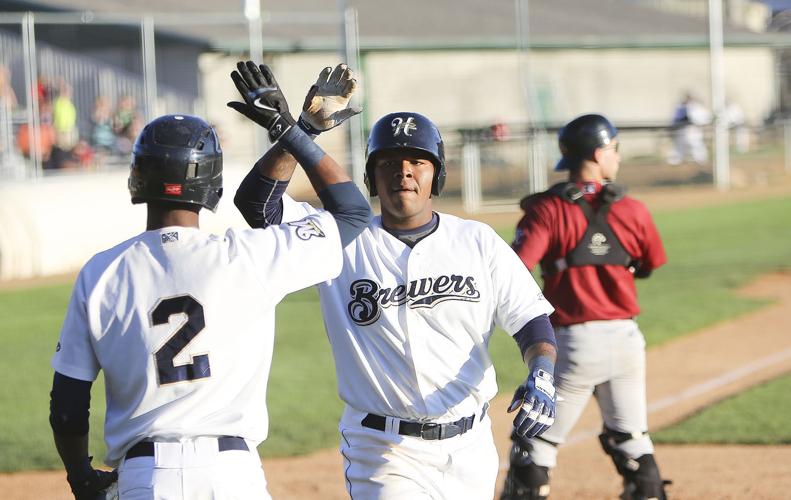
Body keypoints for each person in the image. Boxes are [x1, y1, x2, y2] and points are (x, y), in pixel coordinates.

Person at [232, 62, 559, 499]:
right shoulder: (338, 239)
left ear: (436, 176)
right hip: (383, 448)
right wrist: (301, 130)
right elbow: (258, 206)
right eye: (388, 162)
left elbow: (531, 321)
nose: (403, 171)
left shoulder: (476, 241)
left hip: (471, 446)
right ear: (370, 177)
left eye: (417, 162)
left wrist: (542, 371)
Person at [49, 62, 372, 500]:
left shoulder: (100, 271)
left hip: (146, 476)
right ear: (211, 182)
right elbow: (352, 212)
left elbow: (67, 407)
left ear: (137, 178)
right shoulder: (246, 256)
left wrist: (82, 478)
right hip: (232, 476)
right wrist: (291, 129)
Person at [502, 114, 669, 500]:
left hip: (574, 343)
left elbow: (516, 267)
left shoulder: (547, 209)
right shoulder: (634, 209)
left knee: (535, 445)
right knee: (631, 437)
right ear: (598, 153)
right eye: (614, 149)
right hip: (627, 340)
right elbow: (649, 264)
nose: (618, 157)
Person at [668, 92, 711, 166]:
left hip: (694, 129)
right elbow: (676, 118)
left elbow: (705, 118)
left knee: (696, 145)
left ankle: (700, 160)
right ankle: (675, 161)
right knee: (679, 146)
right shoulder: (681, 106)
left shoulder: (696, 107)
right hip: (682, 129)